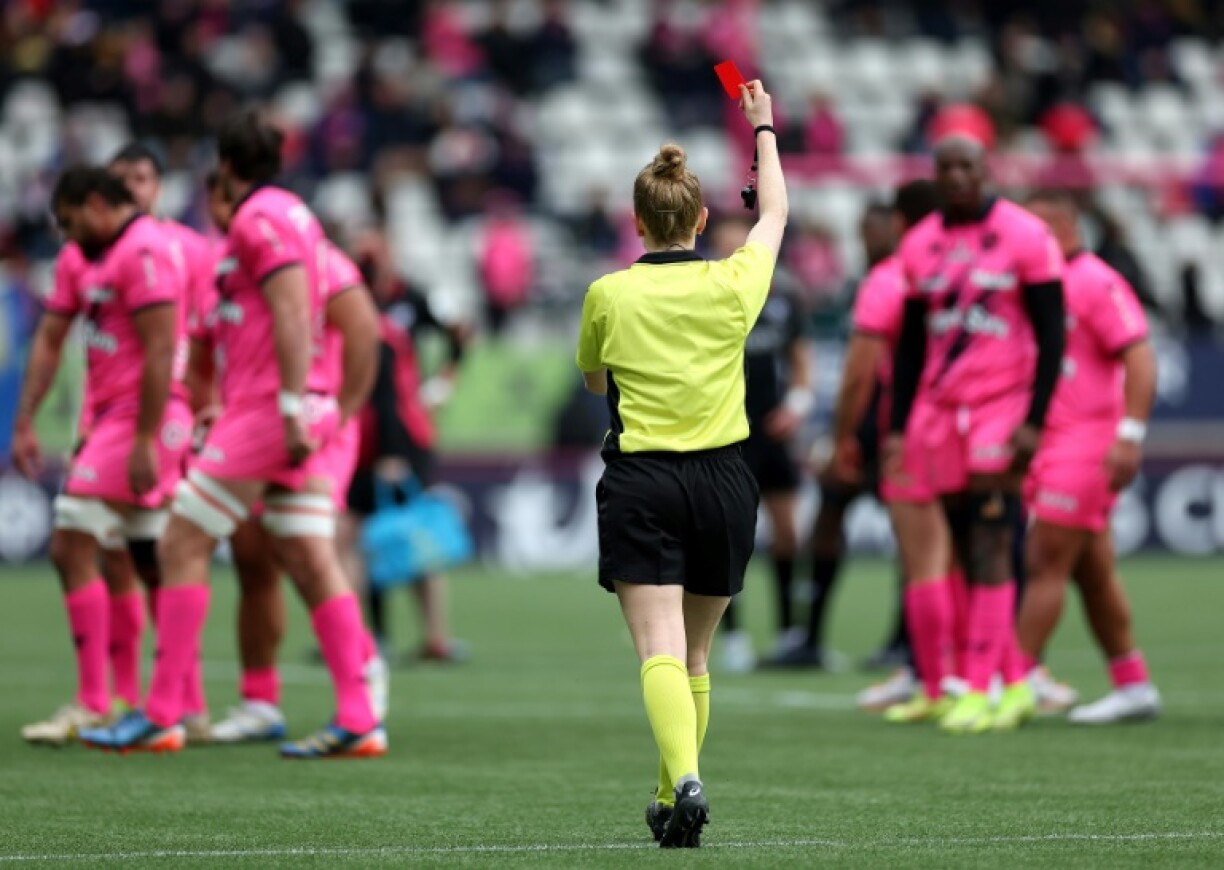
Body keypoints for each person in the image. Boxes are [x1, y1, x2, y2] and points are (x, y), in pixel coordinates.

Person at [79, 110, 382, 758]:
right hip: (280, 407)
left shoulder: (258, 218)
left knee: (182, 538)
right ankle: (359, 714)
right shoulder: (295, 216)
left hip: (271, 413)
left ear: (224, 168)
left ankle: (162, 713)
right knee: (306, 554)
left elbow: (296, 309)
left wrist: (295, 405)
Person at [575, 80, 785, 848]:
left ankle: (686, 782)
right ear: (702, 219)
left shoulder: (608, 293)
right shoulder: (733, 281)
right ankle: (671, 798)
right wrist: (763, 128)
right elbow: (777, 215)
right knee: (696, 654)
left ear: (636, 221)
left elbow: (596, 380)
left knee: (658, 649)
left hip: (644, 479)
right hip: (726, 480)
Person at [192, 174, 385, 743]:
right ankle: (261, 701)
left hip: (307, 425)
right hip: (255, 425)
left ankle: (365, 689)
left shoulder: (321, 263)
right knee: (255, 557)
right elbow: (207, 349)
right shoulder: (229, 266)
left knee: (304, 553)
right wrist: (212, 405)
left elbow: (364, 333)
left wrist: (341, 414)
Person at [887, 133, 1066, 734]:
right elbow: (911, 345)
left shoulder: (1024, 235)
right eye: (947, 167)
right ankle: (1011, 681)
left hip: (1000, 411)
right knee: (964, 545)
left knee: (992, 540)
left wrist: (1036, 419)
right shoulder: (920, 243)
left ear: (985, 170)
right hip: (940, 417)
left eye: (967, 166)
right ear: (935, 175)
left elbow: (1051, 336)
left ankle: (981, 686)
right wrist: (896, 426)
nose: (958, 176)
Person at [12, 166, 189, 745]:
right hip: (113, 420)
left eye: (68, 223)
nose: (65, 237)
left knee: (71, 543)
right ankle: (163, 706)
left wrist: (144, 437)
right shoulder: (92, 258)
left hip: (142, 420)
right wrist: (26, 421)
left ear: (93, 205)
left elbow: (163, 349)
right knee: (141, 554)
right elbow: (50, 338)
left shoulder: (142, 251)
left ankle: (98, 700)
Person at [1018, 190, 1161, 724]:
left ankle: (1015, 679)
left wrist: (1130, 433)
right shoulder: (1044, 285)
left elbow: (1141, 356)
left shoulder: (1095, 279)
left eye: (1030, 229)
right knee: (1092, 573)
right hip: (1053, 442)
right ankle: (1133, 684)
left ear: (1058, 226)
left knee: (1045, 558)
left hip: (1088, 444)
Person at [107, 142, 217, 741]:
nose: (132, 188)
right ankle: (135, 697)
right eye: (121, 178)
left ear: (161, 186)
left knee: (160, 552)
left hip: (167, 414)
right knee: (120, 554)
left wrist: (204, 408)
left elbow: (206, 333)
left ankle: (179, 701)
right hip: (115, 416)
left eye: (142, 178)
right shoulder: (96, 251)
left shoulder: (189, 249)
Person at [820, 185, 939, 706]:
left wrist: (841, 437)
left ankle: (922, 664)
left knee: (921, 547)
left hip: (900, 424)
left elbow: (859, 373)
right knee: (959, 548)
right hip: (950, 422)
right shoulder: (950, 274)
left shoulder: (891, 279)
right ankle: (973, 666)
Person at [345, 229, 469, 664]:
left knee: (391, 536)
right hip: (371, 434)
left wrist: (443, 382)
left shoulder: (404, 303)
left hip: (392, 434)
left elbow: (457, 332)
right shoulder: (361, 310)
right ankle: (368, 636)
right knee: (368, 537)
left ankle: (400, 637)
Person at [707, 216, 813, 670]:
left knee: (787, 532)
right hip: (727, 431)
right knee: (729, 536)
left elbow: (800, 357)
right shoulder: (704, 289)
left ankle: (791, 629)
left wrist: (798, 404)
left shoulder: (784, 292)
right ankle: (731, 637)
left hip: (772, 430)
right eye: (725, 238)